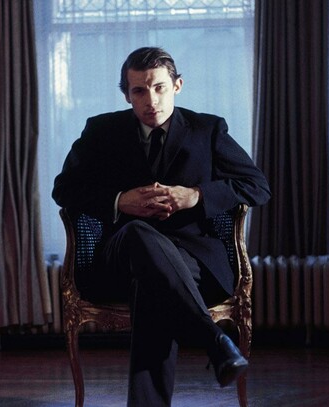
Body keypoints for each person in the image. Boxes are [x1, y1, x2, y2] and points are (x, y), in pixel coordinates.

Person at [53, 47, 271, 406]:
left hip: (193, 260)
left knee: (152, 287)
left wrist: (196, 196)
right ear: (126, 95)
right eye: (139, 91)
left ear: (177, 86)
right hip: (120, 256)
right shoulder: (102, 131)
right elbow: (64, 189)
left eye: (159, 88)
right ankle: (214, 340)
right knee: (139, 233)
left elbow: (257, 186)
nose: (150, 100)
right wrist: (120, 200)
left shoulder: (207, 129)